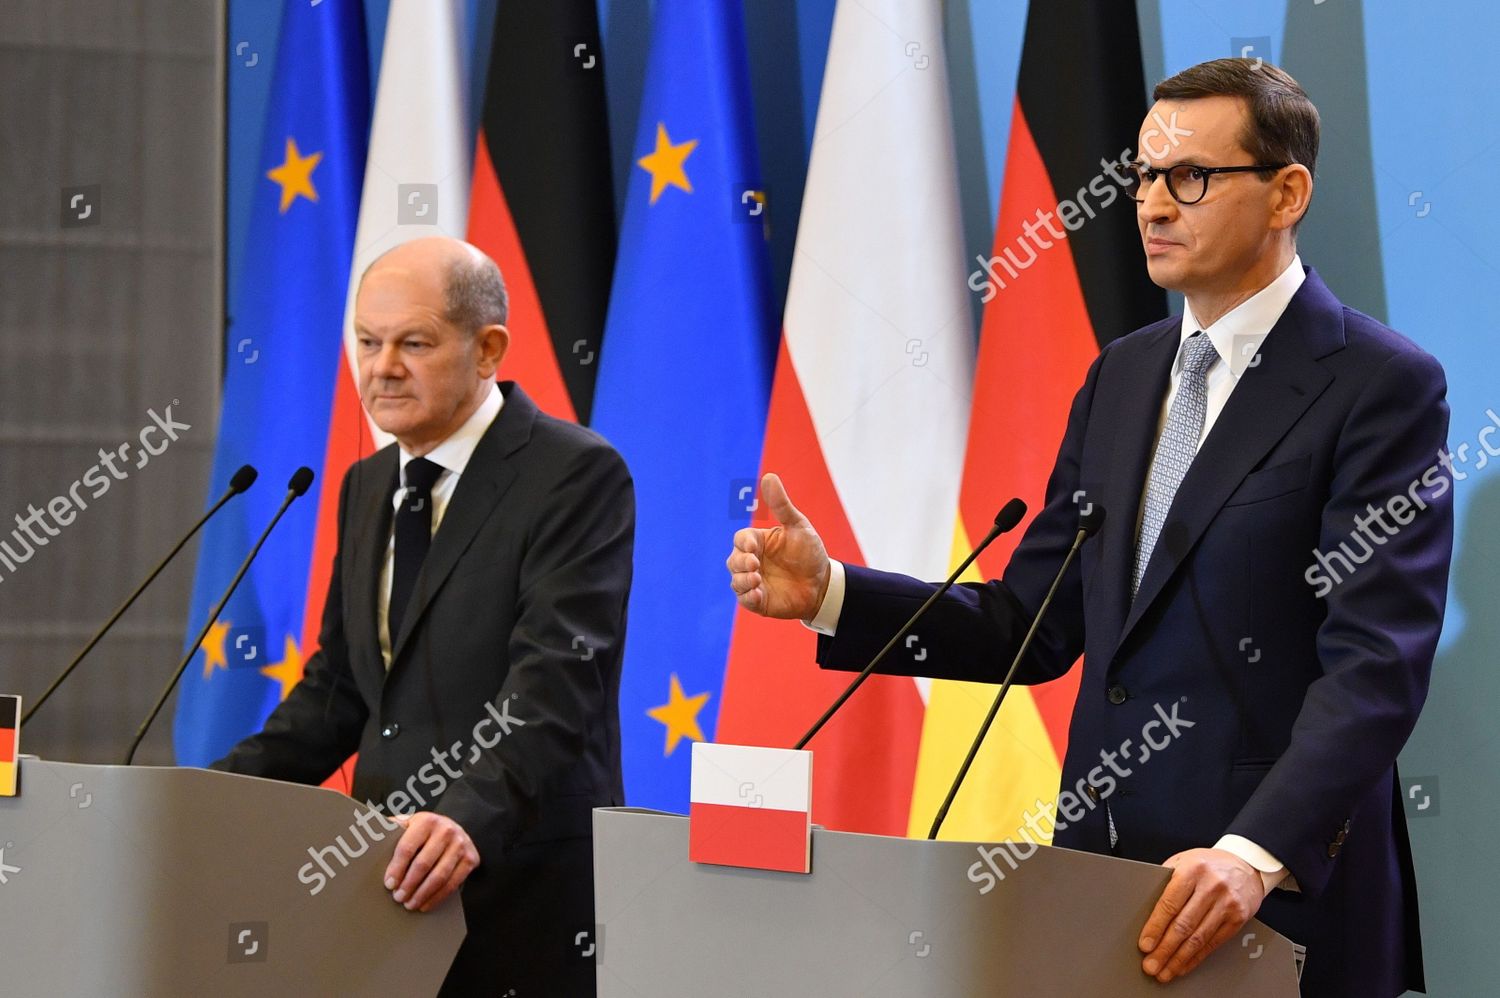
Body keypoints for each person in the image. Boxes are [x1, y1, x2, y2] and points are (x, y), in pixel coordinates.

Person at [726, 59, 1451, 997]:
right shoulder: (1123, 376)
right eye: (1144, 176)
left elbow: (1376, 666)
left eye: (1190, 177)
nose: (1152, 204)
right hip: (1100, 888)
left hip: (1269, 900)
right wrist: (831, 594)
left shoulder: (1378, 385)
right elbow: (1029, 625)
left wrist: (1253, 851)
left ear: (1287, 193)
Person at [214, 236, 634, 996]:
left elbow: (554, 684)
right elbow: (340, 693)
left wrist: (464, 818)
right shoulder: (368, 483)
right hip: (383, 888)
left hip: (521, 889)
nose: (382, 368)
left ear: (488, 349)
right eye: (368, 343)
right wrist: (206, 798)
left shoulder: (573, 474)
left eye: (413, 343)